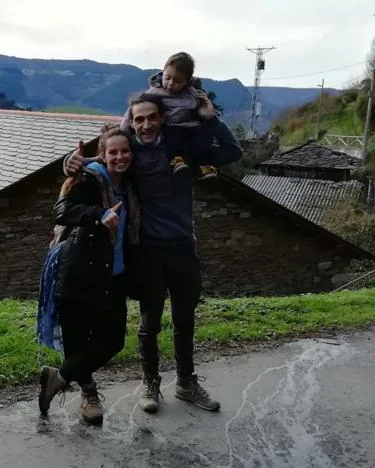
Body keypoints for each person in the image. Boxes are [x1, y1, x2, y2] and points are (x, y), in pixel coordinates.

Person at [64, 92, 242, 414]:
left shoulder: (182, 149)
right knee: (150, 324)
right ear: (132, 123)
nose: (146, 124)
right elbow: (100, 164)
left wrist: (209, 117)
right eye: (139, 119)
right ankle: (150, 384)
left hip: (184, 248)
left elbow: (231, 151)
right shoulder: (130, 157)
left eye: (152, 117)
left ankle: (186, 383)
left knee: (184, 320)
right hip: (149, 252)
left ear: (162, 118)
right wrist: (70, 162)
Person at [38, 126, 141, 425]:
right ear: (103, 154)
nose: (119, 157)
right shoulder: (90, 178)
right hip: (80, 273)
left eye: (125, 151)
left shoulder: (133, 185)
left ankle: (60, 377)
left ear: (132, 154)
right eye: (113, 152)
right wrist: (98, 214)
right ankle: (88, 394)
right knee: (77, 341)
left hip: (115, 276)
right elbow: (63, 210)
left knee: (113, 341)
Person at [121, 51, 217, 180]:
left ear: (187, 82)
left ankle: (201, 166)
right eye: (167, 78)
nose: (171, 83)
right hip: (169, 126)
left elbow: (200, 110)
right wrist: (123, 134)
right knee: (172, 137)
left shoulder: (191, 94)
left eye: (177, 81)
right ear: (162, 73)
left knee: (202, 137)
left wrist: (208, 114)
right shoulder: (154, 93)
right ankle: (175, 161)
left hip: (189, 126)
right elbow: (131, 113)